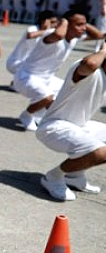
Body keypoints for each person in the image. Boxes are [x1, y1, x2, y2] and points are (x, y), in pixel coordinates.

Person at [35, 44, 106, 201]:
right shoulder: (87, 69)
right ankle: (54, 176)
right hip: (54, 126)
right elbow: (90, 64)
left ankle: (74, 175)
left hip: (80, 125)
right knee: (101, 153)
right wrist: (103, 50)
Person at [12, 9, 102, 131]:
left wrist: (83, 22)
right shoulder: (51, 34)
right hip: (26, 77)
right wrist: (64, 20)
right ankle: (26, 115)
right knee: (47, 96)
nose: (84, 28)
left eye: (84, 24)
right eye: (79, 24)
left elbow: (99, 35)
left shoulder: (74, 38)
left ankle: (39, 116)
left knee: (69, 92)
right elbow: (59, 35)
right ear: (67, 25)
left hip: (47, 79)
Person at [6, 10, 57, 75]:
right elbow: (31, 35)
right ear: (44, 21)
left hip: (27, 63)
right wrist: (48, 31)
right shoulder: (34, 28)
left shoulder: (47, 34)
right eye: (52, 22)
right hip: (16, 62)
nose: (54, 25)